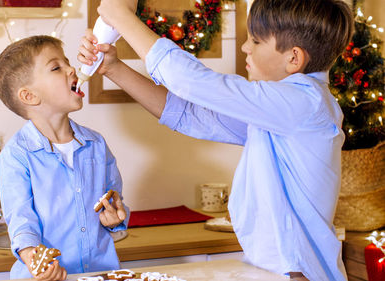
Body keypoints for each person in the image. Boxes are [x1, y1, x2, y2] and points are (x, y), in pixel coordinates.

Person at [78, 0, 353, 280]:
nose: (245, 47)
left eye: (256, 41)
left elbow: (189, 80)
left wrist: (123, 17)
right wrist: (113, 68)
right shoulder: (283, 109)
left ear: (294, 58)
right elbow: (189, 114)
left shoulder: (302, 104)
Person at [0, 35, 129, 280]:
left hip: (100, 273)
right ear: (29, 96)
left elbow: (114, 200)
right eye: (56, 67)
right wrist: (35, 261)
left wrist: (114, 218)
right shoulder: (16, 156)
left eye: (67, 62)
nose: (71, 69)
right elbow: (21, 222)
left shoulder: (96, 145)